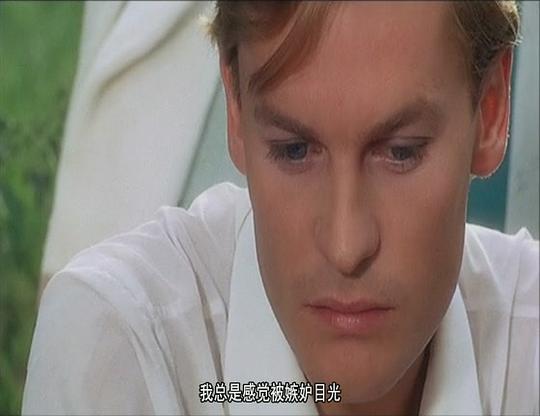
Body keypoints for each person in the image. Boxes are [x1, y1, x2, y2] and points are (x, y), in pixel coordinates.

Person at [22, 2, 538, 415]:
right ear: (236, 110)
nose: (346, 246)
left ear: (491, 110)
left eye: (401, 153)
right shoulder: (119, 342)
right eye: (294, 150)